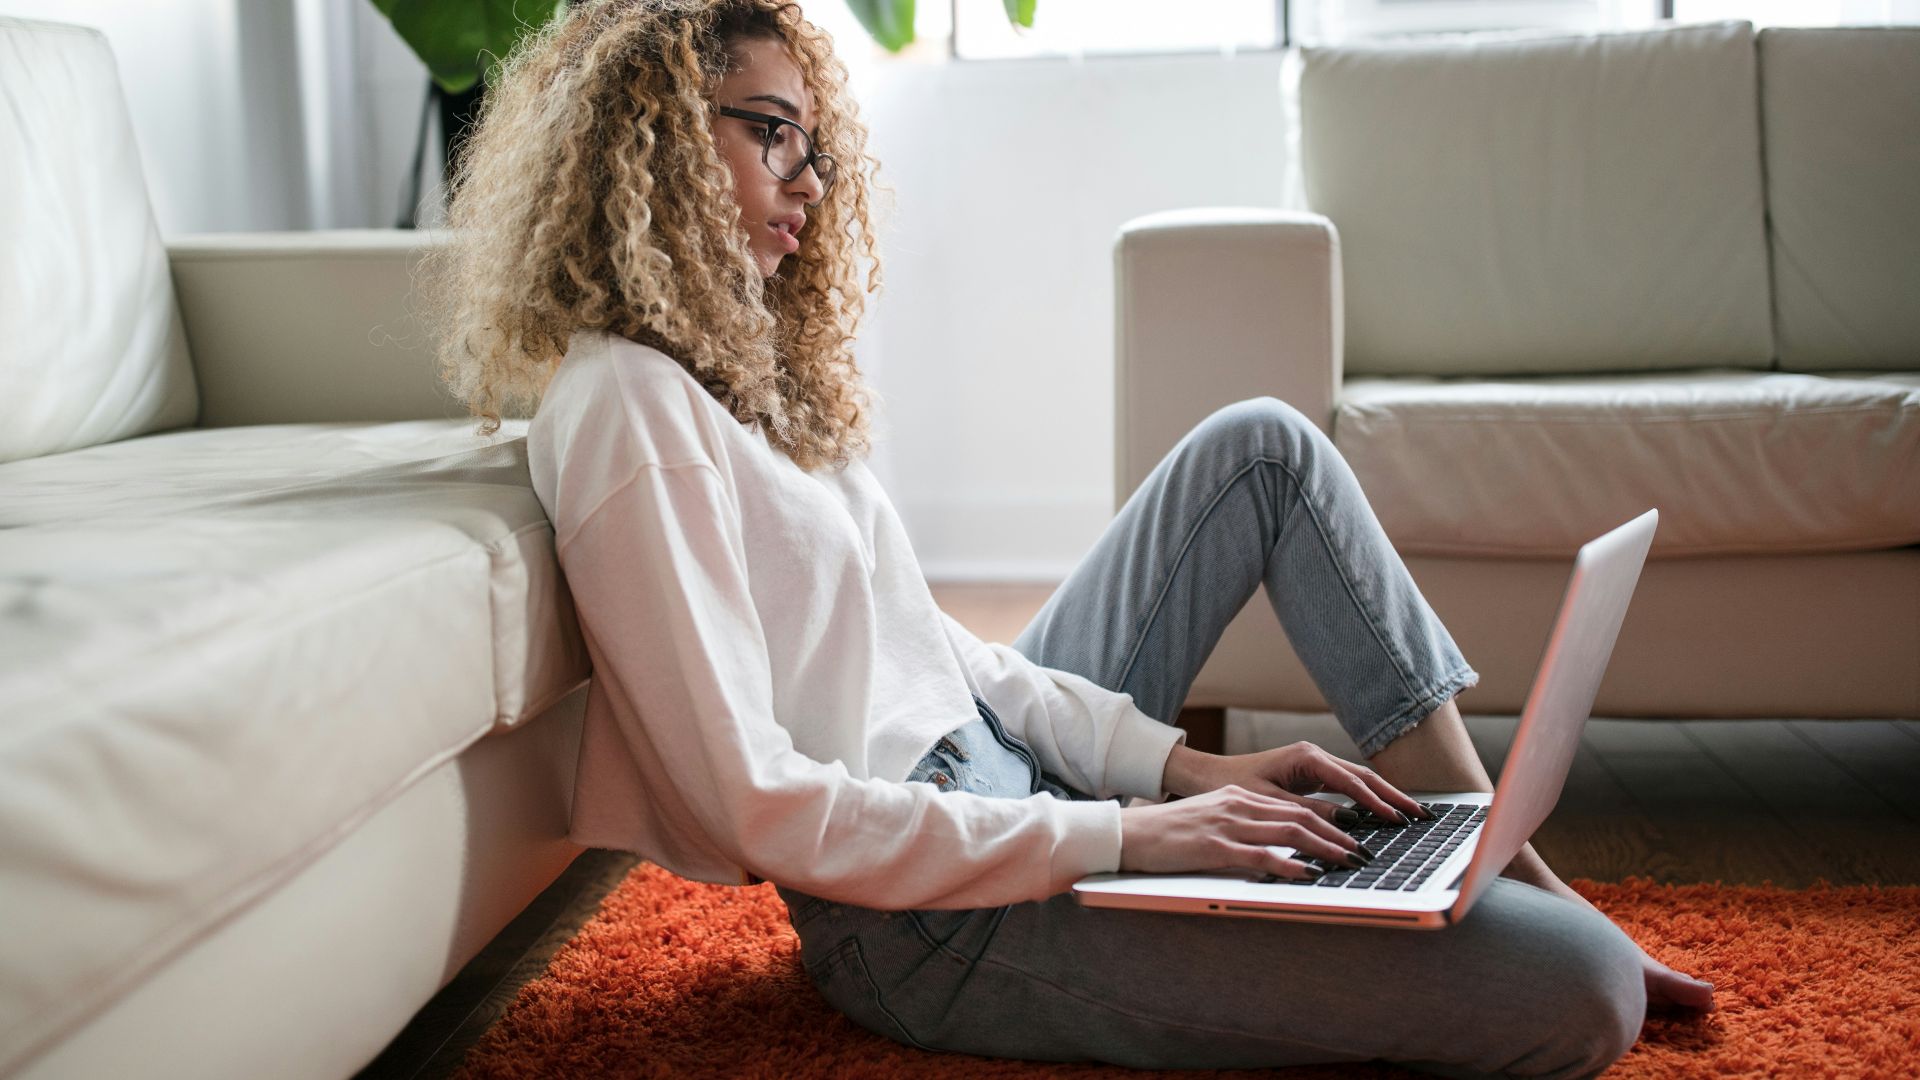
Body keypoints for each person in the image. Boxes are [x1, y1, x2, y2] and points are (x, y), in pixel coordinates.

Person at [420, 1, 1714, 1075]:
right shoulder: (624, 410)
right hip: (920, 916)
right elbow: (752, 801)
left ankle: (1501, 863)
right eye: (771, 134)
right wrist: (1120, 836)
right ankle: (1529, 913)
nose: (808, 179)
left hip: (999, 782)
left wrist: (1169, 773)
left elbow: (938, 653)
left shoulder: (748, 378)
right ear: (647, 140)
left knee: (1261, 446)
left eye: (814, 143)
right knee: (1584, 995)